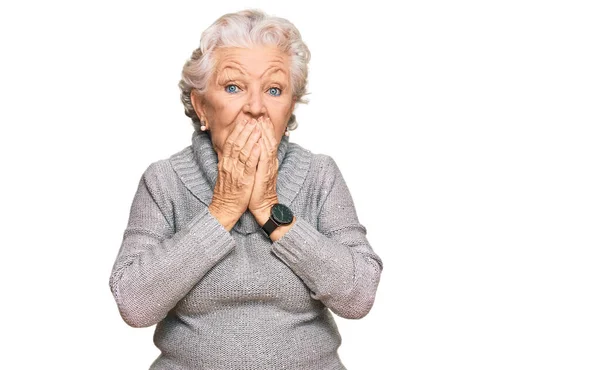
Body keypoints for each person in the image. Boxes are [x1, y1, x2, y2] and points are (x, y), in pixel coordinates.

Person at [109, 9, 383, 370]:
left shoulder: (320, 175)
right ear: (201, 105)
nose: (255, 108)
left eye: (273, 90)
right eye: (234, 87)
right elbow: (133, 303)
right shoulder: (164, 181)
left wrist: (271, 210)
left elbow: (359, 296)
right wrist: (222, 209)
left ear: (290, 107)